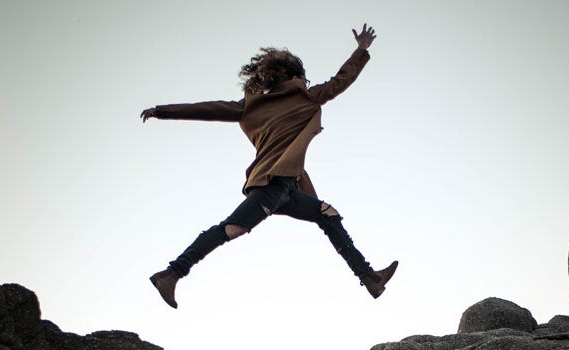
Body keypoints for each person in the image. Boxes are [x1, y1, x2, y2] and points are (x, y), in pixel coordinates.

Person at [141, 24, 397, 309]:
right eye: (302, 75)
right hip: (271, 185)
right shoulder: (305, 96)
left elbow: (207, 108)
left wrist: (162, 111)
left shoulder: (251, 106)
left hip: (287, 186)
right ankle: (172, 273)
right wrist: (361, 50)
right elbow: (341, 81)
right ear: (294, 76)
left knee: (327, 214)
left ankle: (369, 278)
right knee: (232, 228)